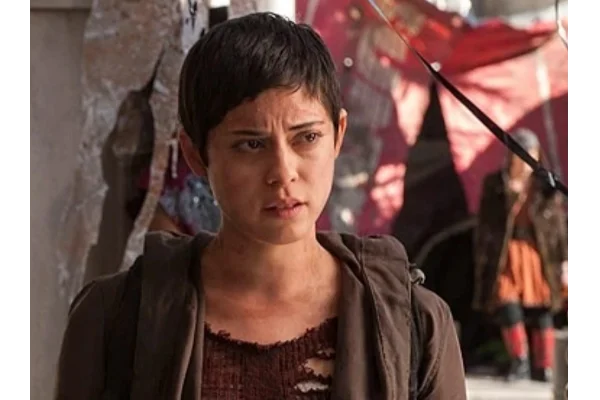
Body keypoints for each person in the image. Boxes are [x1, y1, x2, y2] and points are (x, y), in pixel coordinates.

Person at [53, 12, 466, 400]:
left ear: (338, 135)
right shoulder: (115, 320)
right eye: (251, 144)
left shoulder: (412, 325)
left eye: (307, 138)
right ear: (196, 155)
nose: (283, 172)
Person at [472, 128, 568, 382]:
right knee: (507, 304)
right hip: (507, 252)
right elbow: (485, 223)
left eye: (530, 152)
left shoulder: (545, 185)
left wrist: (564, 260)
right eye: (520, 152)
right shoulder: (496, 183)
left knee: (543, 309)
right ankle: (520, 361)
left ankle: (545, 366)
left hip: (538, 253)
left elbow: (557, 227)